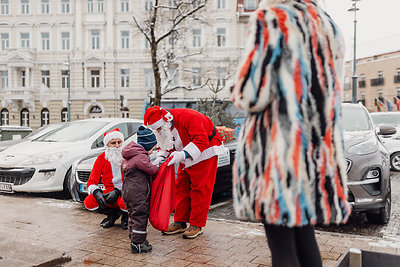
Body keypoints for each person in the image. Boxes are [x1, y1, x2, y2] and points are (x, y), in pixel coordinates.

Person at [230, 0, 351, 266]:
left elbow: (251, 93)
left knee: (282, 246)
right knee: (304, 236)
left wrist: (236, 86)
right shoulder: (326, 23)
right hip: (316, 150)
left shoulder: (272, 18)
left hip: (279, 151)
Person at [143, 106, 225, 239]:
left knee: (200, 189)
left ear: (165, 122)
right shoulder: (166, 126)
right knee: (181, 187)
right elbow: (167, 143)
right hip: (184, 155)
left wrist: (183, 154)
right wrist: (160, 157)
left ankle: (196, 224)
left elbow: (201, 140)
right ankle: (180, 221)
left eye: (158, 128)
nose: (158, 131)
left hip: (205, 152)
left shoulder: (190, 117)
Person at [121, 126, 159, 254]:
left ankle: (135, 239)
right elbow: (152, 170)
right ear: (147, 145)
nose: (153, 151)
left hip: (128, 191)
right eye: (153, 148)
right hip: (138, 193)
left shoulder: (130, 156)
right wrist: (158, 164)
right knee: (140, 216)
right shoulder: (140, 157)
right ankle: (138, 245)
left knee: (132, 215)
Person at [84, 128, 128, 229]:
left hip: (126, 190)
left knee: (125, 201)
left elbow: (134, 179)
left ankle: (126, 217)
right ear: (107, 144)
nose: (117, 146)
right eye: (113, 143)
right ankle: (112, 215)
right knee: (89, 202)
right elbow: (92, 180)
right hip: (108, 190)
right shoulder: (101, 158)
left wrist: (118, 191)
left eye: (119, 142)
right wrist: (96, 192)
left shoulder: (127, 155)